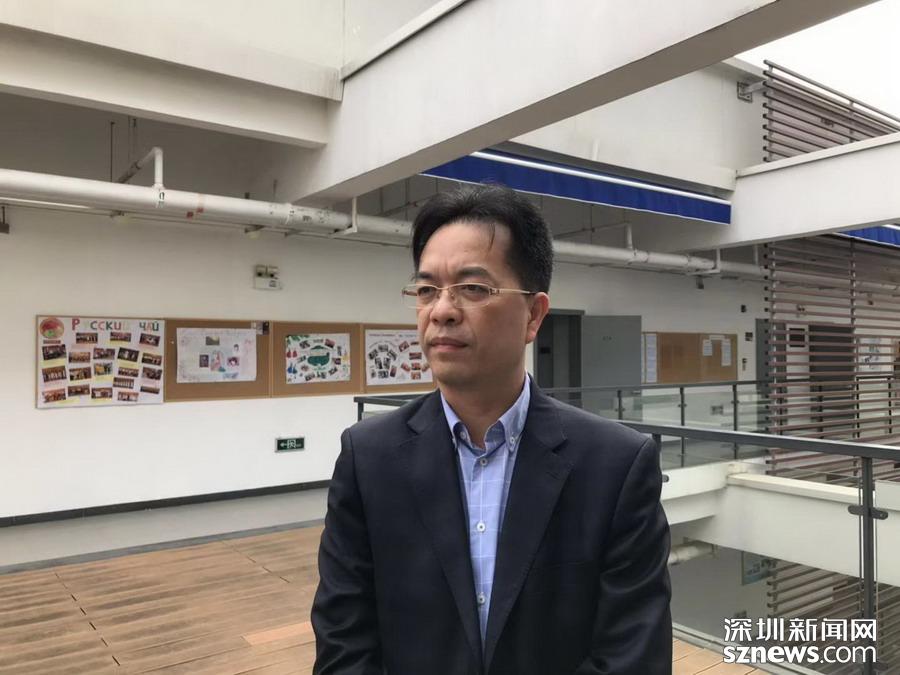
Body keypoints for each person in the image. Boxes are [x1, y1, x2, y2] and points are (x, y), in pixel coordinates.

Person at [312, 183, 672, 674]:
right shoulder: (369, 457)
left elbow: (633, 657)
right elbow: (343, 642)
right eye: (426, 290)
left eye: (473, 289)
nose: (441, 310)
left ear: (533, 315)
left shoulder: (615, 465)